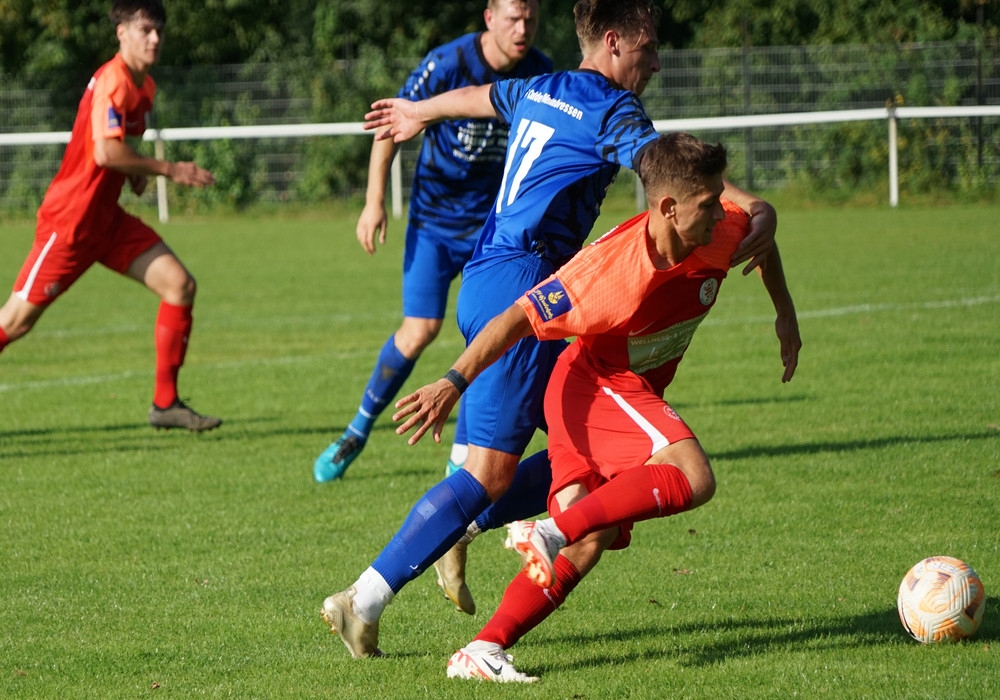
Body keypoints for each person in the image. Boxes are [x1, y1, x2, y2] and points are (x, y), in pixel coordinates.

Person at [319, 0, 777, 659]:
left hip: (486, 273)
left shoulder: (543, 86)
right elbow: (672, 177)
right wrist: (754, 207)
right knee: (490, 475)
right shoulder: (615, 110)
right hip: (528, 286)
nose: (655, 63)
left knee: (579, 444)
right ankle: (364, 597)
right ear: (613, 42)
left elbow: (482, 98)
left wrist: (423, 111)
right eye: (648, 49)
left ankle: (466, 532)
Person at [396, 132, 801, 682]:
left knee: (591, 537)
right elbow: (514, 318)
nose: (721, 212)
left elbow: (759, 237)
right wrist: (452, 381)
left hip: (619, 391)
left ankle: (482, 651)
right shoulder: (609, 272)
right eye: (709, 203)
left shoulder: (718, 228)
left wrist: (785, 312)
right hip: (593, 387)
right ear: (668, 207)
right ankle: (548, 532)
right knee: (693, 476)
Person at [313, 0, 552, 483]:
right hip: (434, 224)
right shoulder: (448, 63)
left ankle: (462, 457)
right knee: (419, 329)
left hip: (494, 231)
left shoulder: (541, 71)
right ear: (490, 17)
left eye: (530, 18)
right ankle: (356, 431)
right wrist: (374, 201)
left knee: (490, 333)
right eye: (513, 18)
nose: (522, 28)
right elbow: (391, 122)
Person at [0, 0, 220, 432]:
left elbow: (121, 149)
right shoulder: (113, 81)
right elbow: (105, 152)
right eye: (145, 30)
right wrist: (169, 169)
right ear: (122, 33)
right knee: (14, 321)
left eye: (159, 31)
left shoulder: (145, 86)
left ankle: (165, 405)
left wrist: (135, 175)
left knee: (179, 285)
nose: (154, 39)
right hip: (71, 223)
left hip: (107, 222)